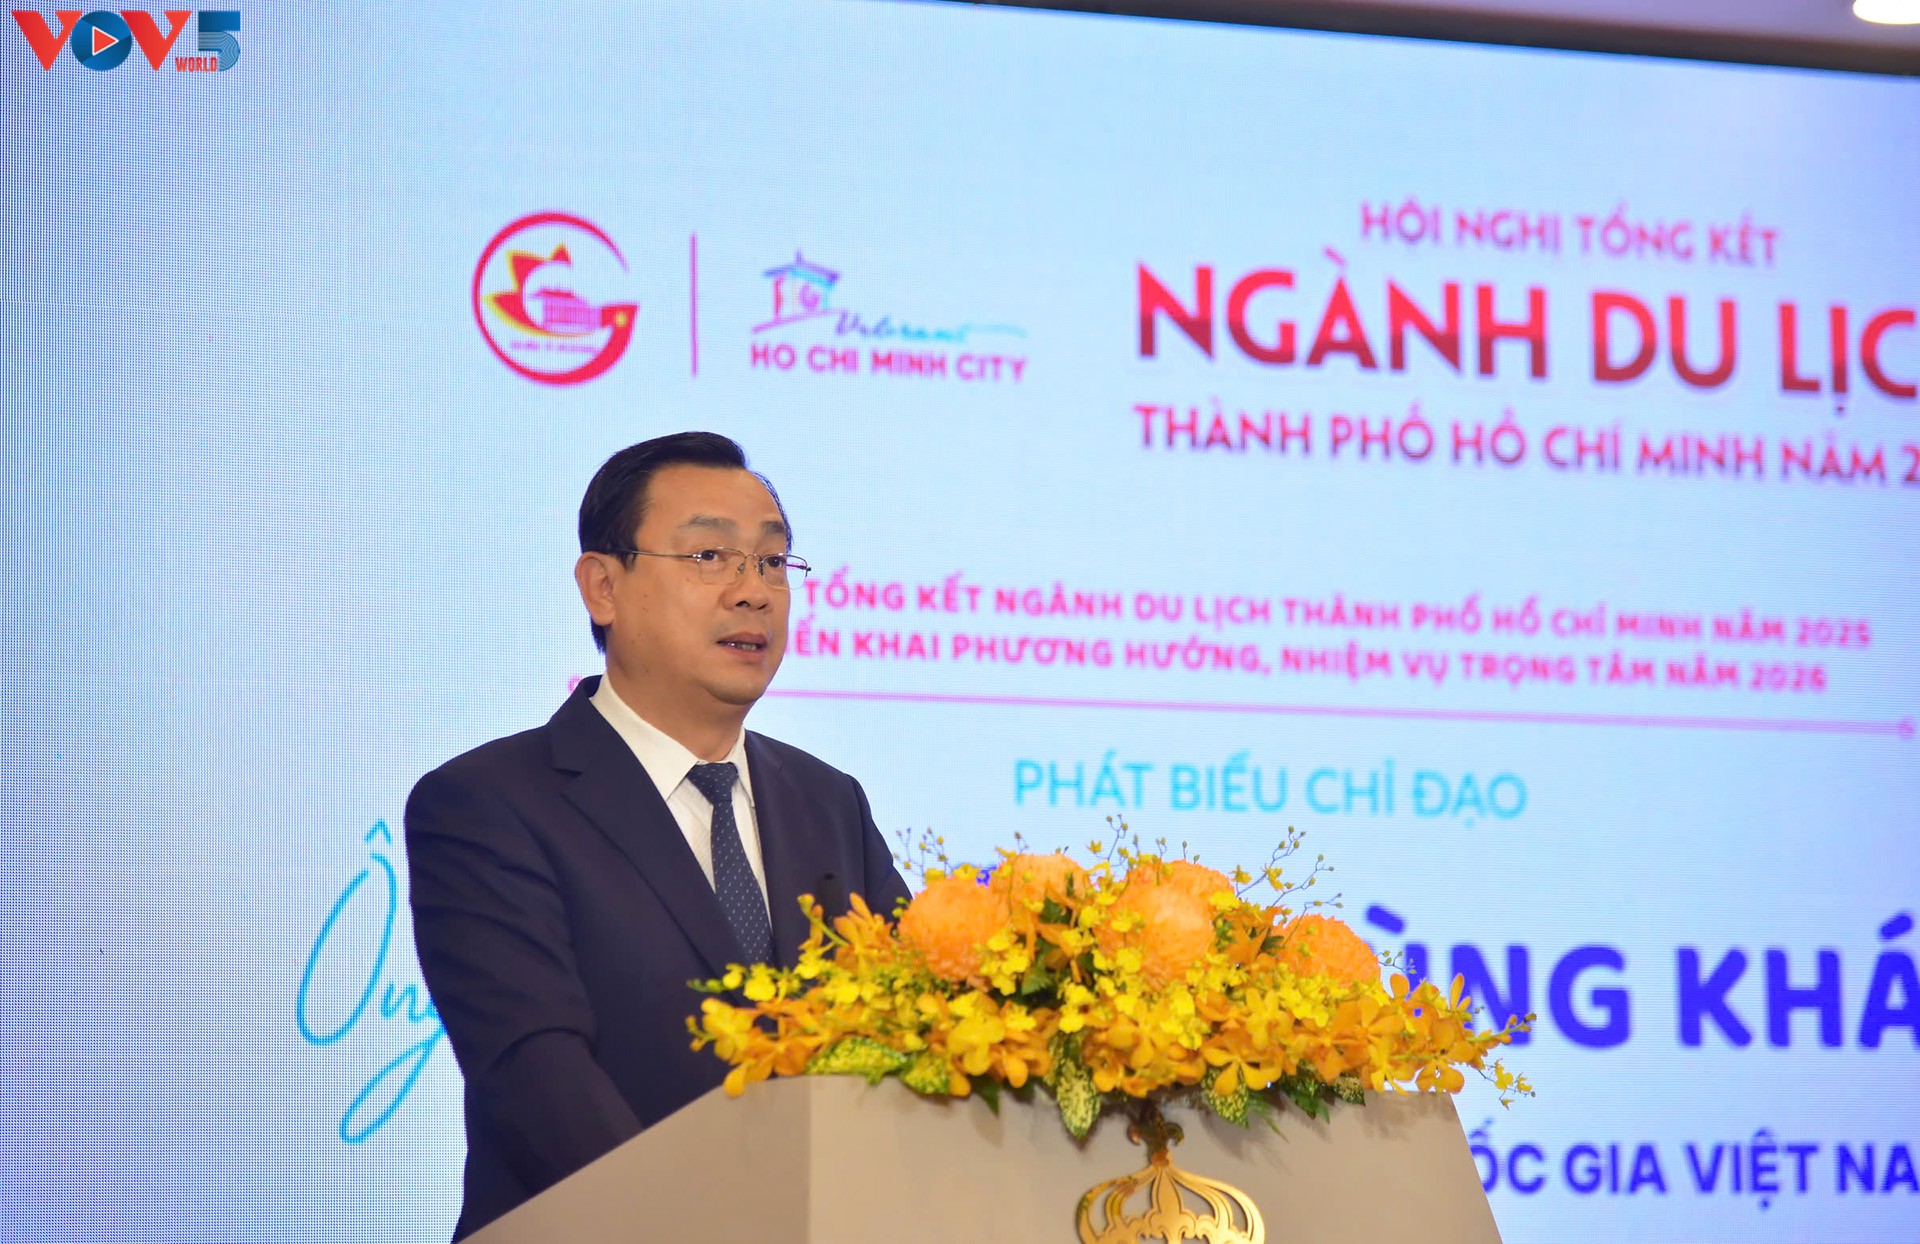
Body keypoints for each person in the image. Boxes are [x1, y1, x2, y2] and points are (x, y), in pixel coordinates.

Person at [406, 432, 911, 1240]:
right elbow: (541, 1083)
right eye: (710, 557)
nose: (754, 593)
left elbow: (915, 1038)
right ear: (603, 587)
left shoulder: (829, 803)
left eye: (772, 562)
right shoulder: (487, 805)